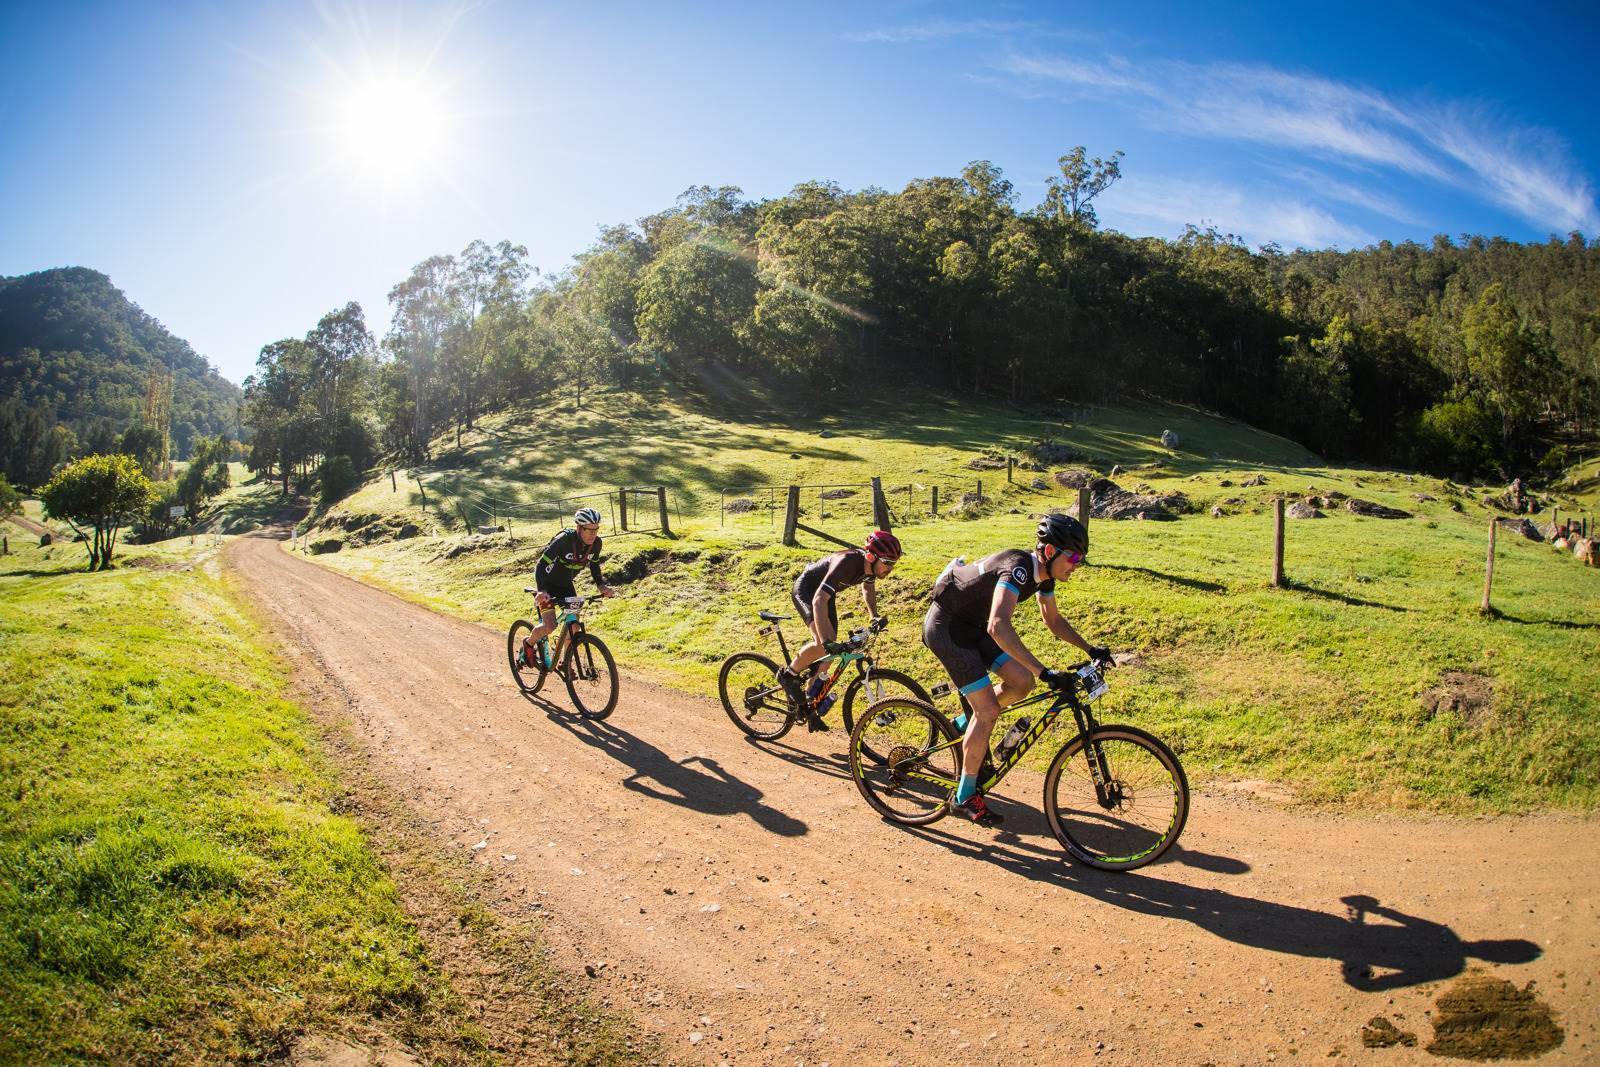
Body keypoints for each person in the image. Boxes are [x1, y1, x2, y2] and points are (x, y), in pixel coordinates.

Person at [923, 514, 1109, 825]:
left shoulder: (1045, 577)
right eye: (1073, 557)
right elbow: (998, 625)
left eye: (1081, 558)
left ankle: (960, 725)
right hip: (947, 628)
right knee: (988, 712)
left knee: (1022, 682)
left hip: (973, 626)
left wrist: (1090, 649)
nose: (1076, 564)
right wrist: (1044, 670)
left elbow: (1053, 621)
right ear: (1049, 552)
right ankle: (963, 797)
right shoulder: (1019, 569)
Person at [776, 529, 902, 730]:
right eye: (887, 563)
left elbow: (868, 588)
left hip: (825, 596)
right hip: (808, 591)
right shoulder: (848, 563)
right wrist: (826, 641)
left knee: (829, 656)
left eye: (893, 564)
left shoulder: (869, 568)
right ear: (871, 556)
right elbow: (818, 600)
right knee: (824, 644)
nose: (890, 568)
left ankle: (809, 704)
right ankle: (788, 675)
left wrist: (873, 616)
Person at [519, 507, 616, 666]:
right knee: (549, 626)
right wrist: (542, 590)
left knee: (575, 626)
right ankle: (529, 643)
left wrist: (601, 586)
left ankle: (566, 662)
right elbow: (542, 564)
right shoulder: (564, 541)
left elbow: (594, 566)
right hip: (547, 586)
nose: (593, 534)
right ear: (579, 527)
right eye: (588, 530)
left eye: (596, 529)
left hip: (566, 586)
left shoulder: (596, 544)